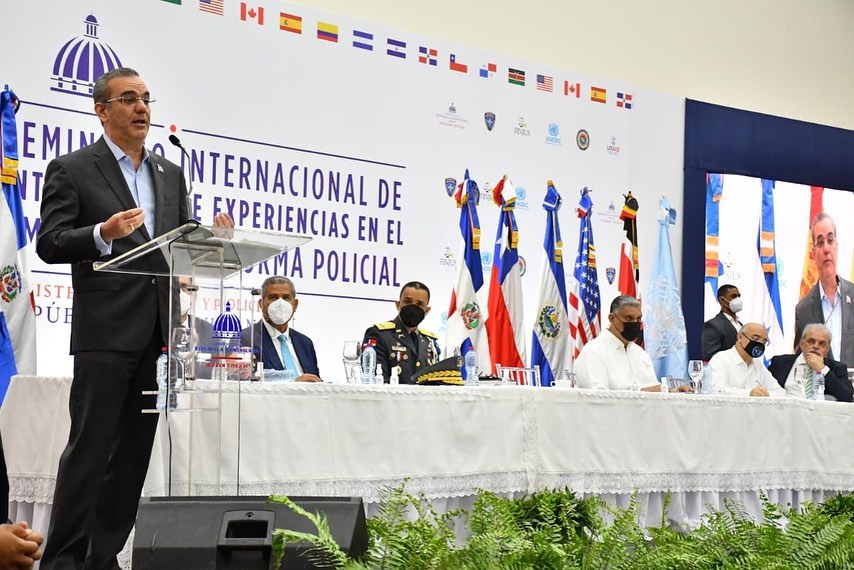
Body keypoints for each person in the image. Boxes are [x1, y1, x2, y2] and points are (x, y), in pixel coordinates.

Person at [35, 67, 233, 569]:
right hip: (105, 332)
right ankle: (63, 561)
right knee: (90, 451)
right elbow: (50, 242)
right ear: (102, 111)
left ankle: (102, 558)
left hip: (157, 334)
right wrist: (101, 233)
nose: (142, 107)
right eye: (128, 99)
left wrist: (213, 242)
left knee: (131, 456)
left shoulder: (170, 173)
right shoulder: (72, 169)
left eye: (146, 98)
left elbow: (178, 246)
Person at [575, 295, 688, 392]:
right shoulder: (593, 352)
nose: (634, 323)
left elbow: (654, 389)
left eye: (638, 319)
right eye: (629, 318)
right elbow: (597, 398)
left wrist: (672, 392)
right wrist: (645, 392)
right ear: (612, 318)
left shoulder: (640, 353)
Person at [794, 213, 853, 367]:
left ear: (836, 246)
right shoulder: (803, 309)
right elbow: (800, 362)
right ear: (814, 253)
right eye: (820, 243)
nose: (826, 249)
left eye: (830, 240)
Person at [240, 276, 321, 382]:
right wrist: (294, 384)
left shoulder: (305, 343)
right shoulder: (246, 338)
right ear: (261, 304)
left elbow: (316, 382)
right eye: (273, 297)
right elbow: (246, 383)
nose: (280, 304)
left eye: (286, 298)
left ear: (295, 305)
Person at [363, 281, 440, 384]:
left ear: (427, 310)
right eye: (408, 302)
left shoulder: (429, 341)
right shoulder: (379, 334)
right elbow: (377, 381)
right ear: (398, 304)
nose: (413, 308)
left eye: (419, 304)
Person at [768, 323, 852, 401]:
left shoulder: (837, 368)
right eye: (811, 341)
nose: (816, 346)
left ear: (827, 349)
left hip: (819, 411)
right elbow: (765, 387)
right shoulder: (780, 362)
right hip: (785, 409)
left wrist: (823, 369)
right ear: (801, 344)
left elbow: (847, 397)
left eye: (822, 344)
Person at [708, 323, 785, 397]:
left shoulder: (758, 365)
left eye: (764, 341)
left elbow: (780, 392)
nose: (760, 343)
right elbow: (717, 390)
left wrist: (766, 394)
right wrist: (749, 393)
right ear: (740, 337)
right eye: (756, 338)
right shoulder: (720, 359)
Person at [702, 284, 743, 361]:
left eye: (739, 296)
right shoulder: (713, 325)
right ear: (722, 300)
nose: (738, 300)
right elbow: (709, 356)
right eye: (733, 296)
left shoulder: (740, 324)